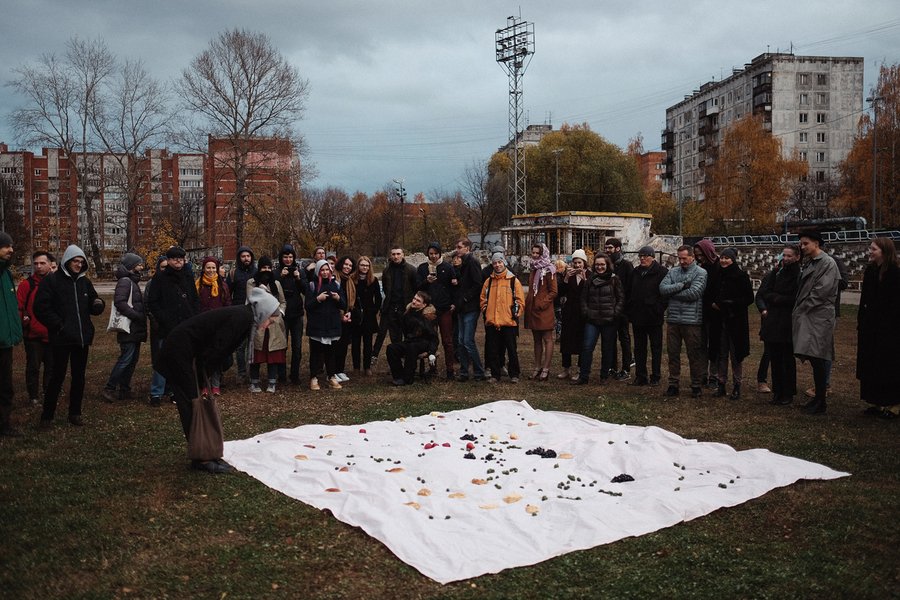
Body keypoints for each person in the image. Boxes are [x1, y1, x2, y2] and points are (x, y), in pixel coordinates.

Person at [158, 289, 271, 474]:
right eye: (271, 319)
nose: (270, 323)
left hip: (188, 353)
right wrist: (202, 375)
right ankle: (201, 457)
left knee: (194, 402)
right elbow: (217, 349)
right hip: (180, 352)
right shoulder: (242, 318)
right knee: (192, 404)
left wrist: (204, 375)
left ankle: (206, 452)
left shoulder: (244, 317)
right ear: (263, 311)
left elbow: (219, 350)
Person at [33, 244, 105, 427]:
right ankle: (47, 416)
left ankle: (75, 413)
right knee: (57, 377)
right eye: (75, 261)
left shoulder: (84, 282)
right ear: (67, 261)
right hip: (61, 338)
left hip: (81, 339)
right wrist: (59, 325)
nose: (79, 265)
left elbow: (94, 301)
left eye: (81, 262)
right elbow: (40, 308)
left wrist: (98, 304)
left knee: (79, 377)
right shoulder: (52, 281)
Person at [792, 230, 840, 415]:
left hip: (818, 317)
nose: (802, 247)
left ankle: (820, 400)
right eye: (801, 244)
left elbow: (821, 292)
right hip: (810, 316)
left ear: (816, 244)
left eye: (805, 243)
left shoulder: (827, 263)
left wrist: (801, 309)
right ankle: (818, 399)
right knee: (814, 358)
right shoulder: (811, 262)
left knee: (818, 358)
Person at [856, 238, 900, 419]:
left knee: (888, 365)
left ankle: (894, 404)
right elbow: (865, 299)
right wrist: (862, 321)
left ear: (884, 251)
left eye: (873, 249)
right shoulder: (871, 271)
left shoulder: (895, 273)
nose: (870, 251)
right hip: (870, 327)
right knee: (871, 365)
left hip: (889, 329)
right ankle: (876, 401)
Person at [659, 245, 708, 398]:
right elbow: (662, 289)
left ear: (692, 257)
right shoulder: (673, 272)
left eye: (684, 258)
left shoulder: (701, 272)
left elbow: (694, 293)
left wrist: (672, 293)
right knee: (673, 354)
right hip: (673, 320)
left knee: (694, 355)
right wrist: (681, 286)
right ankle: (673, 384)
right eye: (679, 258)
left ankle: (696, 385)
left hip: (692, 321)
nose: (681, 261)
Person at [757, 245, 801, 406]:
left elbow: (795, 298)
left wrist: (776, 298)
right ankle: (777, 391)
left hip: (787, 322)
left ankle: (788, 392)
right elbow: (765, 292)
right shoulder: (776, 273)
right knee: (775, 358)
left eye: (789, 256)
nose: (786, 258)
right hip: (773, 321)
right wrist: (776, 298)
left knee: (787, 359)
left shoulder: (798, 275)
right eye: (785, 255)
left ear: (797, 257)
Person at [101, 253, 148, 403]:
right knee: (126, 359)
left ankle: (124, 389)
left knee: (132, 360)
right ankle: (109, 388)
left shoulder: (132, 281)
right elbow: (120, 302)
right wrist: (136, 315)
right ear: (132, 266)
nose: (141, 266)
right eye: (139, 264)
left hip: (134, 328)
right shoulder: (125, 281)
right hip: (129, 327)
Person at [710, 248, 754, 400]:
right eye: (722, 257)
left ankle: (737, 385)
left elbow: (748, 298)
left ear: (733, 259)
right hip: (720, 321)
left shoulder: (741, 276)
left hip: (735, 322)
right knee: (721, 354)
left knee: (736, 356)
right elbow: (711, 294)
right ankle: (721, 383)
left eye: (726, 258)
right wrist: (714, 304)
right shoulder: (717, 276)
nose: (723, 260)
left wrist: (728, 304)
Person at [574, 253, 624, 385]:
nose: (599, 267)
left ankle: (604, 376)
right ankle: (584, 376)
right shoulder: (590, 279)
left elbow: (620, 298)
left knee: (607, 349)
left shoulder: (614, 279)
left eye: (602, 264)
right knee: (587, 347)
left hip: (609, 320)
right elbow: (583, 298)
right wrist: (586, 312)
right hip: (592, 320)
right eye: (597, 264)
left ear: (607, 265)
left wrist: (615, 313)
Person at [626, 246, 668, 387]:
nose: (642, 258)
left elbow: (665, 294)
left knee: (656, 348)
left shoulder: (662, 272)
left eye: (645, 256)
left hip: (654, 317)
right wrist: (631, 309)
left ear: (652, 257)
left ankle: (655, 376)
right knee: (639, 348)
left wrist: (659, 309)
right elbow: (629, 291)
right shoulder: (636, 272)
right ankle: (640, 376)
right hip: (638, 316)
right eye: (640, 256)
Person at [480, 251, 525, 383]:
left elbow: (520, 300)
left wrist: (515, 313)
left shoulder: (513, 280)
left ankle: (514, 374)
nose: (497, 265)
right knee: (493, 350)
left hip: (509, 322)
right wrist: (486, 311)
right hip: (493, 321)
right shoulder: (488, 281)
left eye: (499, 262)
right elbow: (483, 299)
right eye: (495, 263)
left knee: (511, 350)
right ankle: (495, 374)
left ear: (504, 262)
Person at [17, 251, 54, 406]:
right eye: (36, 263)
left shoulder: (56, 284)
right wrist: (25, 322)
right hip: (33, 336)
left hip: (53, 334)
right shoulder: (26, 285)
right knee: (33, 367)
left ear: (50, 264)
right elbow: (19, 308)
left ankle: (49, 393)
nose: (39, 266)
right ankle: (33, 396)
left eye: (42, 263)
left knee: (52, 367)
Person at [246, 256, 287, 393]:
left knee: (272, 353)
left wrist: (278, 315)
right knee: (257, 353)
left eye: (269, 268)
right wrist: (262, 290)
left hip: (274, 323)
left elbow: (282, 302)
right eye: (264, 267)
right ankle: (254, 382)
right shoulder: (252, 282)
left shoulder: (276, 283)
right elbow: (251, 300)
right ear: (259, 268)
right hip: (259, 323)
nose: (267, 270)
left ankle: (272, 382)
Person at [417, 242, 457, 379]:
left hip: (445, 309)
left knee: (447, 340)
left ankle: (450, 370)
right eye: (431, 253)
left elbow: (454, 287)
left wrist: (454, 303)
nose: (433, 256)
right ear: (427, 254)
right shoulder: (422, 268)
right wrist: (426, 281)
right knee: (430, 339)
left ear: (440, 254)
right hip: (429, 310)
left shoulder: (447, 267)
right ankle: (432, 368)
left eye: (436, 253)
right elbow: (418, 287)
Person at [306, 259, 347, 390]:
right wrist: (318, 299)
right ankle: (313, 377)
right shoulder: (312, 285)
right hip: (317, 325)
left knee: (331, 353)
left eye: (327, 270)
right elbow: (307, 306)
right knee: (315, 353)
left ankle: (331, 376)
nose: (325, 273)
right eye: (322, 270)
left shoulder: (336, 285)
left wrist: (338, 298)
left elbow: (344, 305)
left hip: (332, 325)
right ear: (318, 272)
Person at [387, 291, 439, 386]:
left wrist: (431, 352)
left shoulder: (428, 316)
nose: (414, 301)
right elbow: (406, 331)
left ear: (424, 305)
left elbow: (434, 338)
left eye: (418, 300)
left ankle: (408, 378)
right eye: (414, 298)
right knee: (391, 348)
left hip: (424, 342)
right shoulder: (408, 313)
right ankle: (399, 376)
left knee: (412, 347)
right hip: (410, 341)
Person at [195, 256, 231, 395]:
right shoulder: (198, 285)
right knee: (204, 356)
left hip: (218, 326)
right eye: (208, 267)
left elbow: (227, 304)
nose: (211, 270)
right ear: (204, 268)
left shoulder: (223, 286)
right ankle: (205, 384)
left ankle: (216, 384)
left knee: (216, 356)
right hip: (202, 325)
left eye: (213, 268)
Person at [0, 232, 23, 436]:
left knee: (6, 385)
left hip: (5, 342)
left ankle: (4, 424)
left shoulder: (6, 274)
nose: (11, 250)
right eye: (6, 246)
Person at [524, 243, 558, 381]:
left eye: (537, 253)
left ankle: (546, 368)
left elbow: (554, 291)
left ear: (543, 254)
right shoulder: (533, 268)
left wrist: (542, 303)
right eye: (533, 252)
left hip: (544, 310)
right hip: (533, 309)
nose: (534, 255)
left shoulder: (549, 269)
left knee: (547, 339)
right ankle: (537, 367)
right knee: (536, 340)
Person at [694, 239, 722, 389]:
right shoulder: (700, 268)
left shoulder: (719, 267)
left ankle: (714, 376)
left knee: (715, 345)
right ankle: (703, 374)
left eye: (701, 254)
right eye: (697, 255)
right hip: (702, 312)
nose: (699, 258)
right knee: (701, 345)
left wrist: (715, 302)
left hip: (716, 313)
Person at [276, 244, 306, 384]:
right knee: (282, 346)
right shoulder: (276, 272)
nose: (288, 260)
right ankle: (281, 375)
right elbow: (272, 291)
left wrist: (298, 278)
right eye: (285, 257)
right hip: (282, 314)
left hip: (297, 314)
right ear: (281, 258)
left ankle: (295, 375)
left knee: (297, 346)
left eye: (290, 257)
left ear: (294, 258)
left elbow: (305, 290)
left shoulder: (299, 271)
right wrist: (280, 277)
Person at [556, 250, 588, 381]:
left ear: (584, 263)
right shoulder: (568, 275)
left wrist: (585, 279)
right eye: (575, 262)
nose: (577, 265)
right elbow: (560, 293)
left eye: (579, 262)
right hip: (569, 311)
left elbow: (590, 292)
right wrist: (566, 279)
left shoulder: (589, 274)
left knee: (582, 341)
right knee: (566, 341)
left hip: (583, 312)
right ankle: (566, 369)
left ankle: (580, 369)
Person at [604, 238, 634, 380]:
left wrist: (624, 306)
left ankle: (626, 368)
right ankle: (612, 367)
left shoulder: (627, 265)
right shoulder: (607, 266)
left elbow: (631, 287)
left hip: (623, 309)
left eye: (610, 247)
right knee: (611, 339)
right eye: (606, 248)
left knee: (624, 338)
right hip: (609, 309)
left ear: (618, 248)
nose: (607, 250)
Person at [227, 246, 256, 382]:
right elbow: (228, 293)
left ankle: (253, 373)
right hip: (239, 312)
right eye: (243, 256)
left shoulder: (256, 272)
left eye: (248, 256)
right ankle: (241, 372)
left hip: (254, 312)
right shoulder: (233, 273)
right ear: (239, 258)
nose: (246, 259)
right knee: (240, 346)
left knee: (253, 344)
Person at [379, 246, 417, 348]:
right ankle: (397, 354)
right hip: (392, 307)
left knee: (409, 334)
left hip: (407, 307)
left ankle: (408, 354)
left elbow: (416, 289)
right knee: (395, 336)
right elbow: (386, 289)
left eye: (398, 254)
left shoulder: (412, 270)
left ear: (403, 255)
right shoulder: (386, 271)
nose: (396, 257)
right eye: (393, 254)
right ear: (390, 256)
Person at [350, 256, 381, 376]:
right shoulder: (352, 279)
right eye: (362, 265)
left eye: (367, 265)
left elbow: (378, 297)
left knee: (368, 343)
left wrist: (374, 310)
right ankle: (356, 367)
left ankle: (367, 366)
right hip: (356, 314)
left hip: (369, 315)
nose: (365, 267)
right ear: (358, 266)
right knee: (355, 342)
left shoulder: (373, 280)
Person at [145, 256, 168, 406]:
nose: (165, 270)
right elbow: (148, 304)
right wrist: (155, 320)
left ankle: (171, 389)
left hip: (173, 326)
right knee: (159, 359)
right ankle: (157, 392)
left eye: (167, 267)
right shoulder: (152, 283)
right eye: (163, 267)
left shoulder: (175, 281)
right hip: (159, 327)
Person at [333, 255, 356, 382]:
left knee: (343, 345)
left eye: (350, 265)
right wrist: (340, 315)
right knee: (335, 346)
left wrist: (349, 313)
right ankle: (333, 371)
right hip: (334, 317)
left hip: (347, 316)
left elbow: (350, 301)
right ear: (341, 264)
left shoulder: (350, 280)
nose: (348, 267)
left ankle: (340, 370)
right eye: (346, 264)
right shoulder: (334, 278)